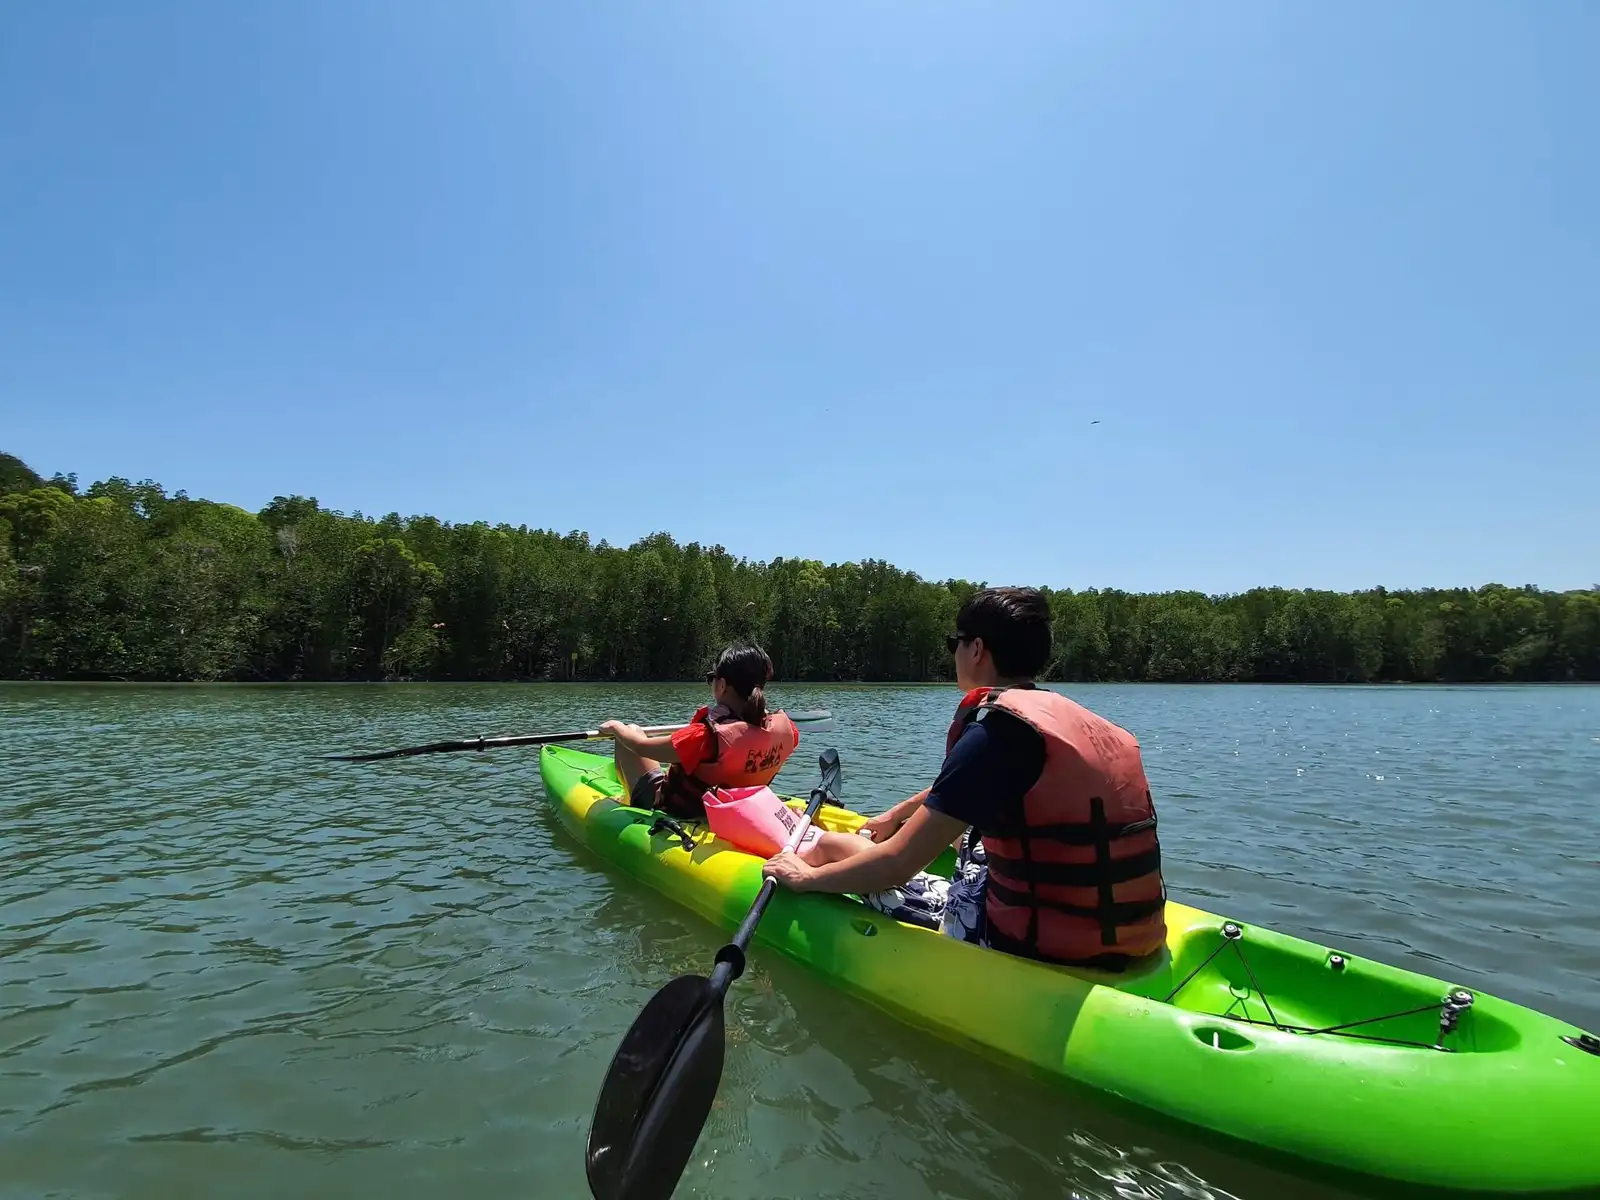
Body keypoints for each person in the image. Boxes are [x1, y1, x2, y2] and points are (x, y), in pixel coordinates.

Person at [764, 587, 1167, 970]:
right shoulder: (1073, 724)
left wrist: (808, 879)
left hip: (1029, 943)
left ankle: (807, 867)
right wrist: (899, 813)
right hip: (1126, 932)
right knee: (964, 836)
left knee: (834, 844)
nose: (953, 652)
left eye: (955, 642)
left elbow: (896, 865)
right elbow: (976, 788)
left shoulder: (997, 733)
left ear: (976, 649)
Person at [599, 643, 799, 821]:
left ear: (721, 685)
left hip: (682, 810)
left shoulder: (703, 736)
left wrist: (617, 728)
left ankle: (627, 800)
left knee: (631, 732)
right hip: (736, 806)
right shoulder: (787, 730)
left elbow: (639, 746)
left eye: (712, 678)